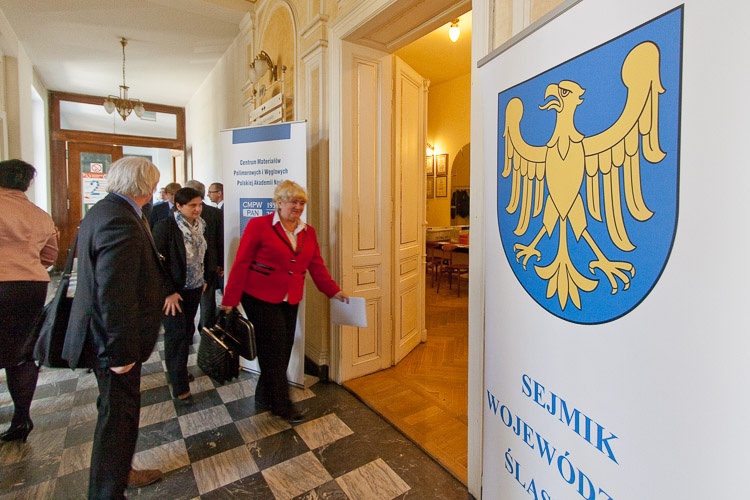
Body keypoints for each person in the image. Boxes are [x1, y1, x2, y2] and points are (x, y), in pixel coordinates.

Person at [62, 156, 165, 498]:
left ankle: (122, 473)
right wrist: (119, 353)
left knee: (116, 414)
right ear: (146, 185)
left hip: (106, 337)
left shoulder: (106, 210)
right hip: (113, 344)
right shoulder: (119, 220)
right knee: (118, 420)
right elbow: (114, 294)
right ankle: (107, 491)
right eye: (153, 182)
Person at [221, 180, 348, 422]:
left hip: (290, 298)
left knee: (283, 348)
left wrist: (333, 291)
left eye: (301, 203)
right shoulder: (259, 225)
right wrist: (230, 299)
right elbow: (241, 263)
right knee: (274, 350)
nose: (298, 207)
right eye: (293, 202)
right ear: (279, 203)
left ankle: (263, 394)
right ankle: (282, 405)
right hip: (259, 296)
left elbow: (316, 266)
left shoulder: (308, 232)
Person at [0, 159, 58, 443]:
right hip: (31, 285)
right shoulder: (40, 215)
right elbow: (50, 256)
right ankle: (21, 417)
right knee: (22, 352)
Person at [153, 187, 214, 403]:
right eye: (192, 205)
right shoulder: (166, 227)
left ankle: (177, 370)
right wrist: (168, 292)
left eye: (200, 205)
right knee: (176, 335)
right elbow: (157, 263)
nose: (197, 209)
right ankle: (181, 388)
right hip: (173, 292)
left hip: (194, 287)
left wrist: (204, 278)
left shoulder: (201, 225)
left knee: (186, 332)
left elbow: (204, 254)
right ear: (178, 206)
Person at [185, 180, 222, 330]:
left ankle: (194, 330)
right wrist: (220, 263)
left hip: (197, 265)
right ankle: (206, 331)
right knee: (207, 301)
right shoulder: (215, 212)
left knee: (197, 301)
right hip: (210, 263)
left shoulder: (182, 213)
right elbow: (220, 240)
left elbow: (219, 238)